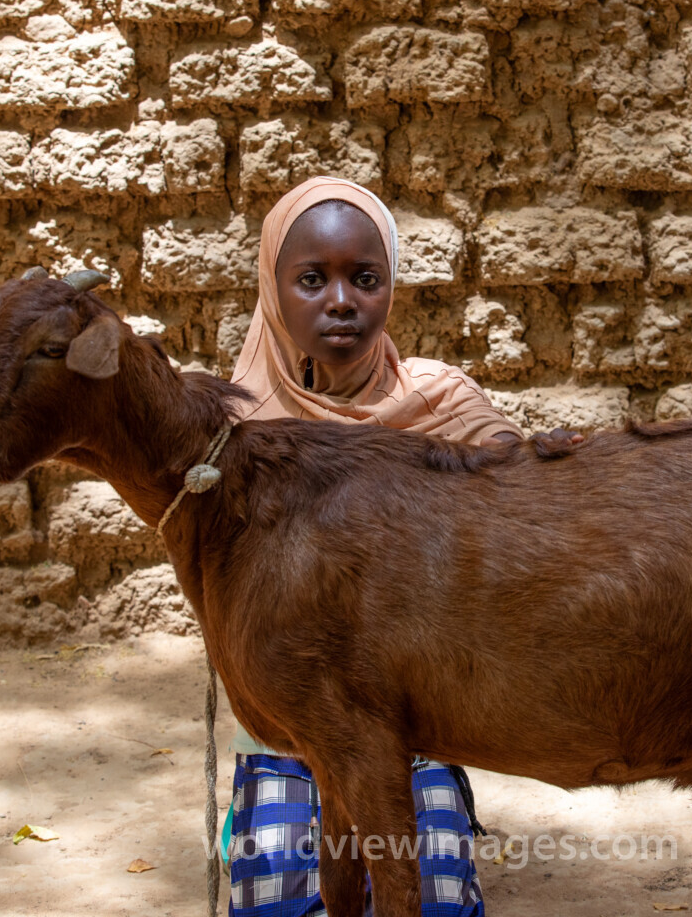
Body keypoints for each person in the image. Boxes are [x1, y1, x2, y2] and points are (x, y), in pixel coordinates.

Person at [222, 176, 578, 917]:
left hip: (417, 718)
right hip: (289, 730)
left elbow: (509, 482)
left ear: (392, 289)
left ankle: (447, 802)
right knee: (283, 904)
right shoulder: (237, 430)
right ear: (272, 287)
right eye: (312, 280)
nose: (342, 301)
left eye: (366, 278)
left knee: (433, 905)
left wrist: (547, 468)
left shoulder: (437, 399)